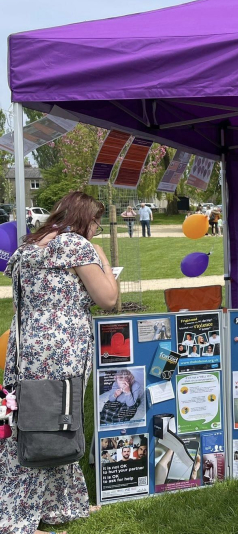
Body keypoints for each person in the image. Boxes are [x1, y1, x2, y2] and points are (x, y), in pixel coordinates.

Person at [0, 191, 117, 534]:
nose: (96, 229)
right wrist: (102, 258)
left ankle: (61, 504)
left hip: (24, 349)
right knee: (57, 424)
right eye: (96, 222)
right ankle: (17, 518)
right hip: (61, 351)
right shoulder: (76, 246)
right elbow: (108, 298)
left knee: (32, 426)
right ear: (85, 219)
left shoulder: (27, 248)